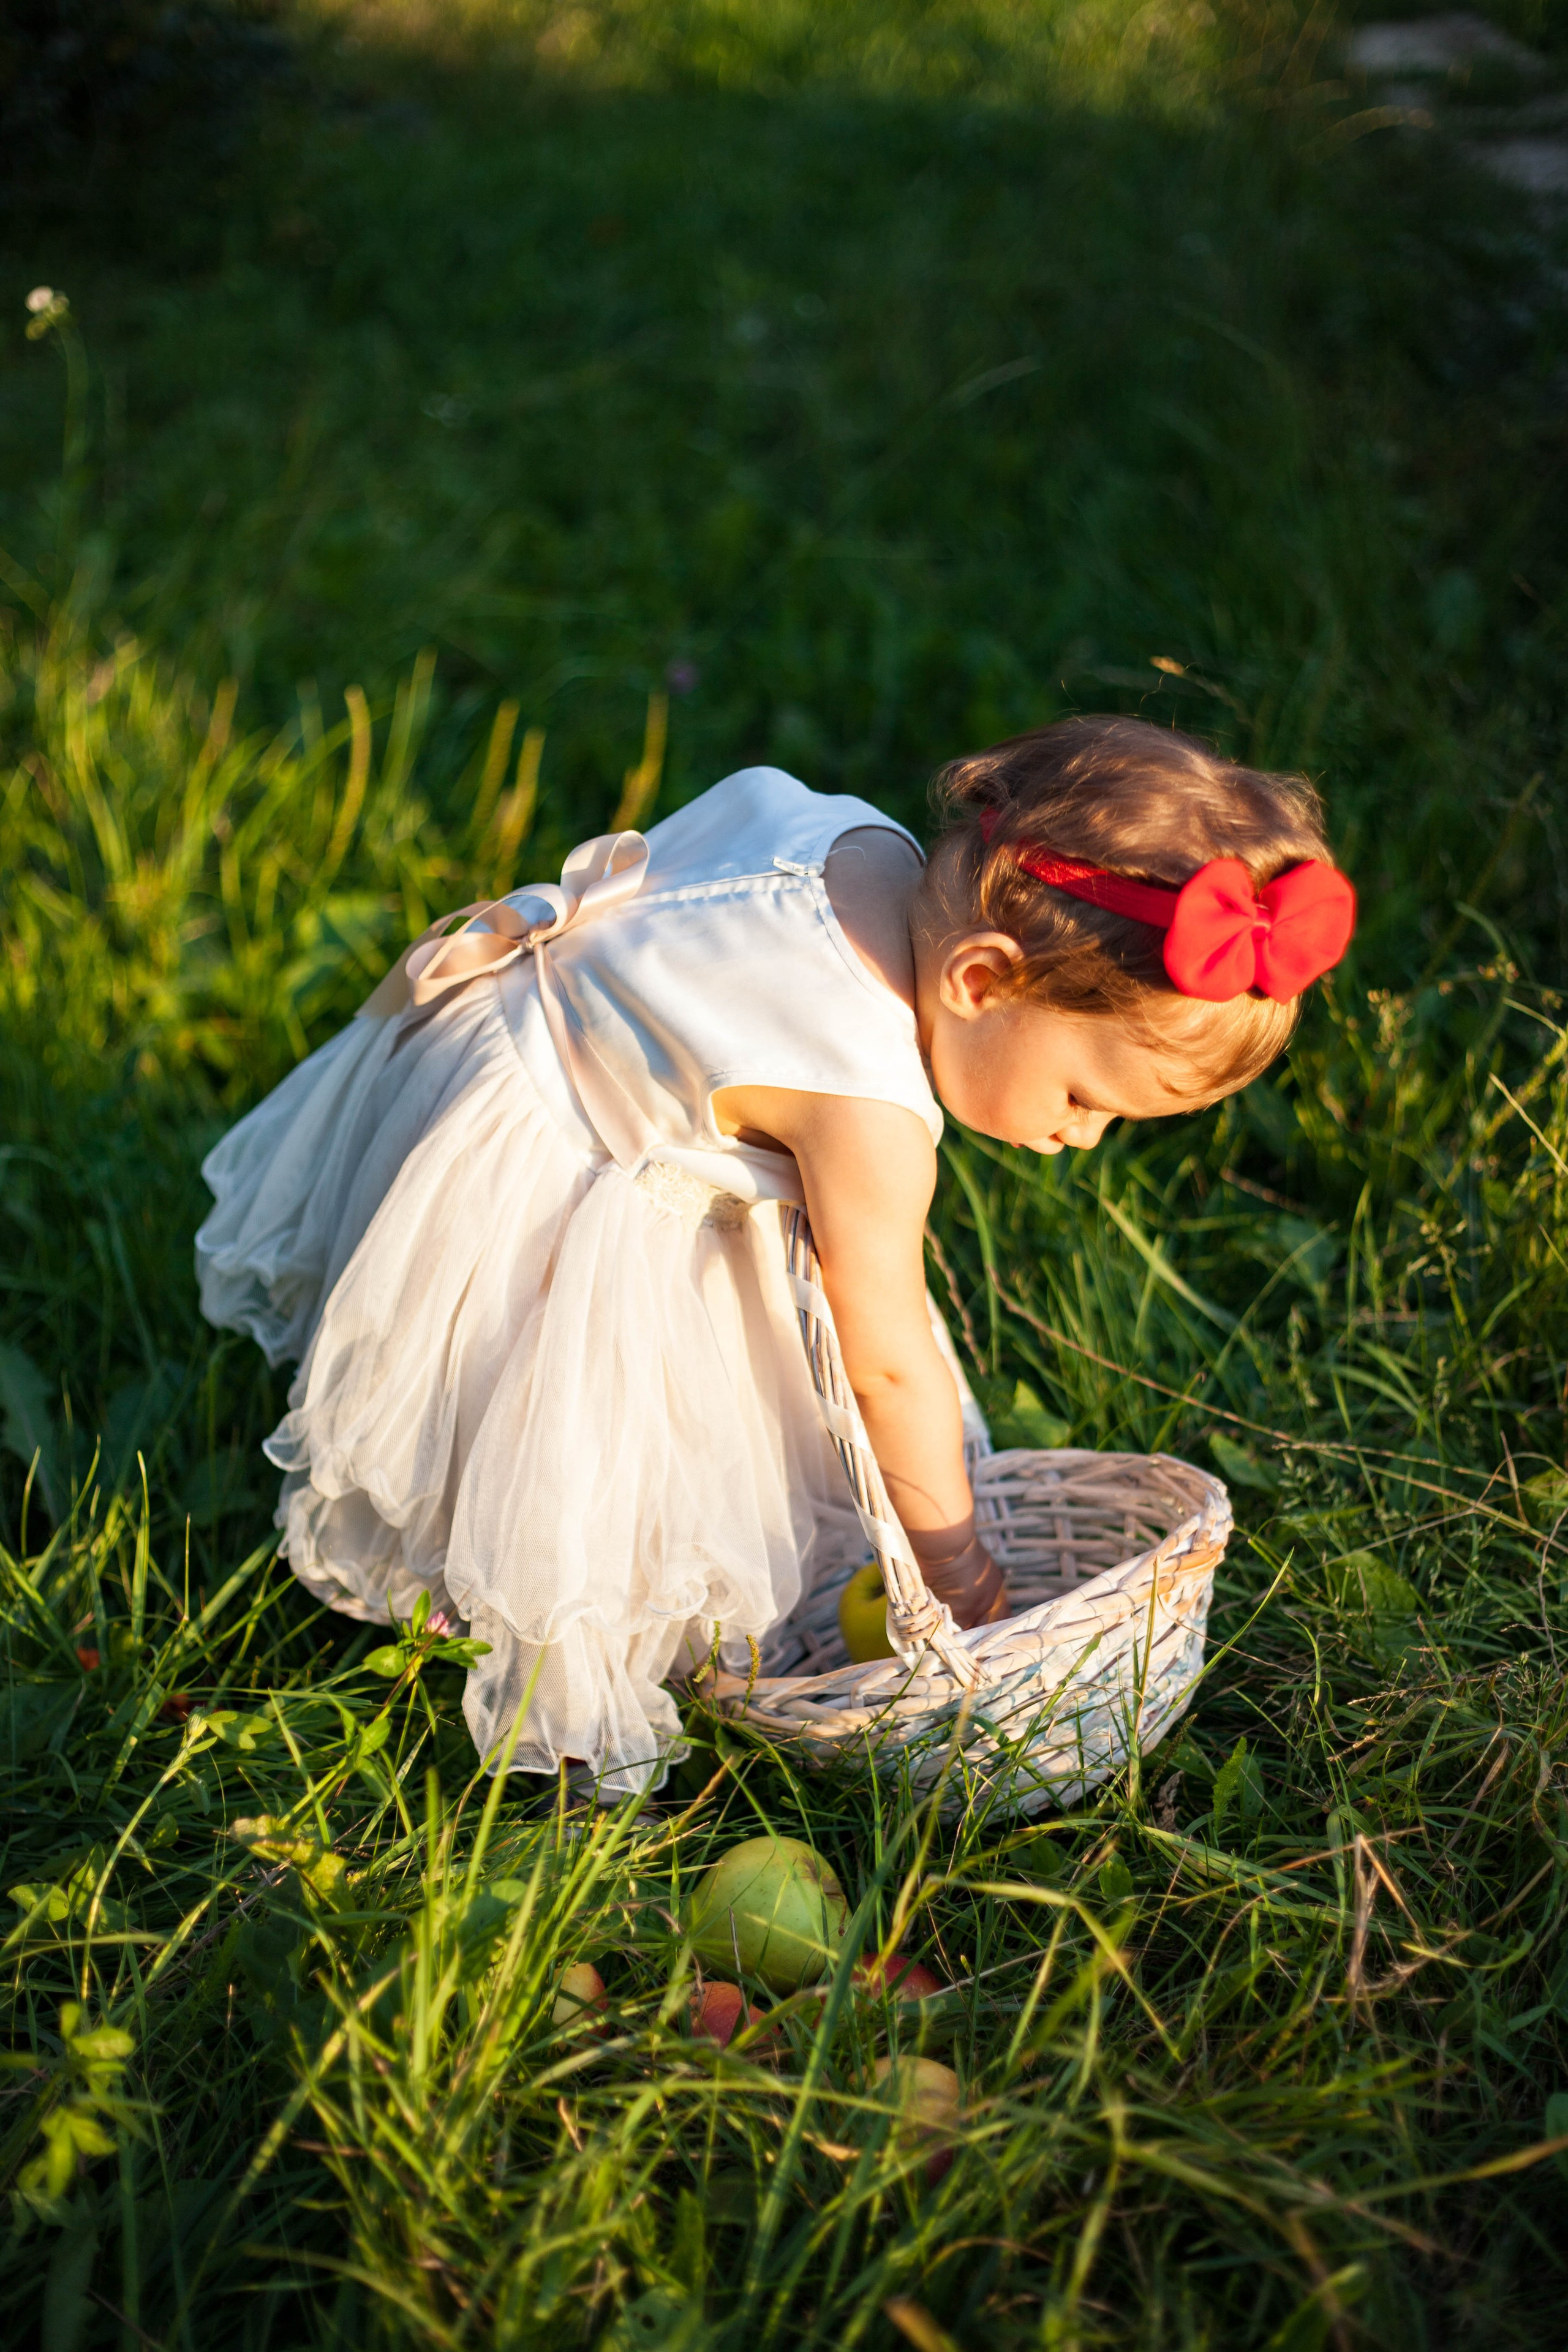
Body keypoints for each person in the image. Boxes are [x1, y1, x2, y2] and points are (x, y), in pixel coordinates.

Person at [195, 715, 1354, 1796]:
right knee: (571, 1414)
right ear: (981, 979)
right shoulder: (866, 1114)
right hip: (568, 1167)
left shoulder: (853, 839)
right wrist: (959, 1573)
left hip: (485, 1069)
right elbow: (886, 1361)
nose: (1079, 1140)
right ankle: (510, 1602)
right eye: (1084, 1097)